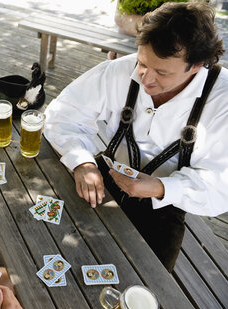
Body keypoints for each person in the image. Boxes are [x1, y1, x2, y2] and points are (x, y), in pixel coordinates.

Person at [44, 2, 227, 272]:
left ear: (196, 66)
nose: (145, 78)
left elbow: (221, 184)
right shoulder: (120, 71)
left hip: (166, 205)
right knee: (52, 246)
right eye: (142, 63)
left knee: (146, 284)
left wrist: (161, 187)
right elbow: (63, 114)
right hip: (101, 178)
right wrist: (82, 162)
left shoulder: (223, 102)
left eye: (162, 72)